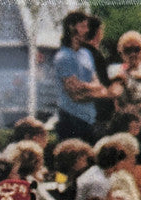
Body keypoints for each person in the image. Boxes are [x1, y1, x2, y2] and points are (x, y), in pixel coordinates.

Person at [54, 11, 110, 144]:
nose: (87, 30)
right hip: (70, 119)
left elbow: (98, 85)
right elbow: (74, 94)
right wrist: (95, 91)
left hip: (90, 119)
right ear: (72, 28)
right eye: (83, 26)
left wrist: (84, 87)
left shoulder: (86, 54)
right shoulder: (63, 57)